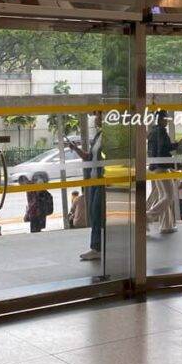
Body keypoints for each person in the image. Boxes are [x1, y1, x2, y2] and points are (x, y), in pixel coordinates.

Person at [68, 111, 105, 261]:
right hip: (94, 180)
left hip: (103, 181)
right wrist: (76, 149)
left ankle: (97, 248)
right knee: (94, 214)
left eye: (99, 115)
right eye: (97, 115)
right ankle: (97, 247)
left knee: (97, 213)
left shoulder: (109, 137)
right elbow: (89, 157)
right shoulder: (98, 136)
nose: (96, 118)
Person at [146, 110, 182, 234]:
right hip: (162, 167)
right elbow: (165, 148)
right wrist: (180, 142)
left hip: (155, 167)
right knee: (168, 196)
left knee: (162, 196)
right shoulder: (161, 132)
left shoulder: (152, 132)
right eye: (165, 119)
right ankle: (147, 217)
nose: (166, 122)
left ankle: (166, 225)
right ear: (160, 120)